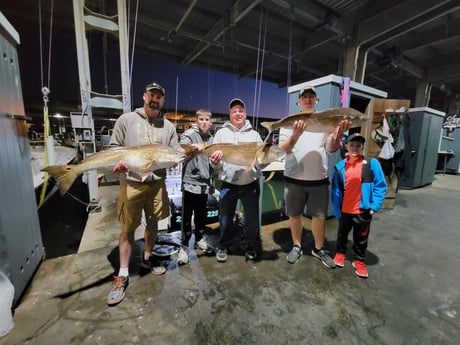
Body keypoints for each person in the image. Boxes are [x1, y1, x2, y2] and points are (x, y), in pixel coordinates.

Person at [107, 82, 180, 306]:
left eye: (159, 96)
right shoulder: (126, 120)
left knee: (154, 222)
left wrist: (183, 157)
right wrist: (118, 163)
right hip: (131, 182)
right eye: (151, 94)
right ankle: (123, 273)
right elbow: (113, 148)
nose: (155, 99)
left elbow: (174, 154)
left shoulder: (168, 127)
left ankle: (148, 258)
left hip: (157, 182)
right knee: (128, 227)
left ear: (163, 100)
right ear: (144, 96)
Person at [279, 85, 351, 267]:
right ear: (298, 101)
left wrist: (338, 134)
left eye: (312, 96)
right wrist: (296, 134)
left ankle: (318, 248)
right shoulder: (289, 122)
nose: (308, 99)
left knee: (319, 216)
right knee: (294, 214)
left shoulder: (325, 121)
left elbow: (331, 148)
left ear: (316, 100)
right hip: (293, 178)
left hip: (318, 179)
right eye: (305, 97)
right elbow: (285, 149)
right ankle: (296, 245)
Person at [209, 98, 263, 262]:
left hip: (250, 184)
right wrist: (215, 162)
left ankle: (249, 245)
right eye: (234, 111)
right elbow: (214, 164)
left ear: (245, 114)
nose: (238, 113)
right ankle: (223, 245)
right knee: (225, 218)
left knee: (252, 219)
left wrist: (262, 163)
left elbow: (261, 159)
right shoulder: (221, 133)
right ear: (230, 114)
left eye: (240, 110)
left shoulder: (254, 135)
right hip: (228, 184)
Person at [331, 133, 387, 278]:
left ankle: (359, 260)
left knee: (361, 238)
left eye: (358, 145)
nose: (355, 148)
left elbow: (380, 185)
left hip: (363, 210)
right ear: (346, 147)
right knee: (342, 234)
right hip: (345, 210)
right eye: (352, 145)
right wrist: (337, 210)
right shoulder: (339, 167)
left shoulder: (371, 164)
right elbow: (336, 190)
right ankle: (340, 253)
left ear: (362, 147)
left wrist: (375, 206)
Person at [177, 109, 214, 265]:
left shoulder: (212, 139)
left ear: (210, 122)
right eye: (201, 120)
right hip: (190, 183)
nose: (204, 122)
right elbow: (182, 145)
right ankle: (184, 246)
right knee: (186, 217)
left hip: (204, 184)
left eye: (207, 120)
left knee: (201, 215)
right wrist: (193, 146)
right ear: (196, 121)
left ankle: (199, 239)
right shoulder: (190, 134)